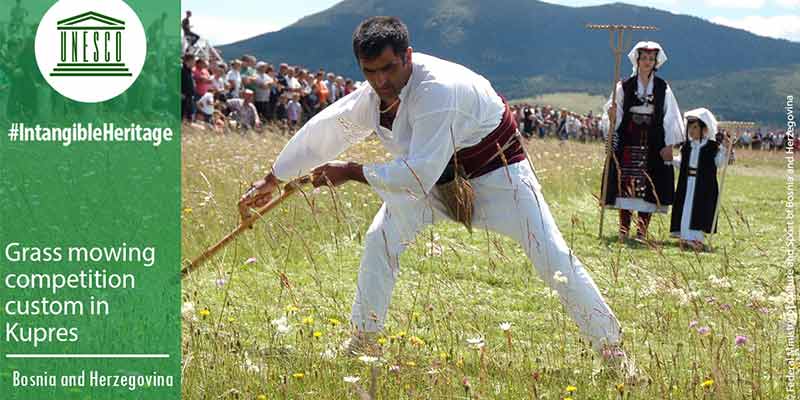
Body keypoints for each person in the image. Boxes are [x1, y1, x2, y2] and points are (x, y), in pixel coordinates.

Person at [239, 16, 629, 370]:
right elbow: (330, 129)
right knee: (381, 240)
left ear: (408, 56)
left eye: (389, 68)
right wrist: (273, 177)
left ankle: (613, 352)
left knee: (553, 256)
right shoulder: (372, 93)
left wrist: (352, 171)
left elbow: (415, 174)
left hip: (499, 175)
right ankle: (363, 340)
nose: (380, 81)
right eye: (370, 71)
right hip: (433, 179)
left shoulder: (438, 91)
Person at [601, 41, 684, 241]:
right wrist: (612, 116)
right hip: (629, 139)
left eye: (651, 59)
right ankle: (623, 229)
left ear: (656, 62)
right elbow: (615, 112)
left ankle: (641, 231)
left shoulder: (663, 87)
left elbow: (670, 116)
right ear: (637, 60)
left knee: (649, 185)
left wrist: (669, 145)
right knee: (626, 184)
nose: (647, 62)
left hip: (654, 142)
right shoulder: (624, 86)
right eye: (644, 58)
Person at [670, 108, 730, 251]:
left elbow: (719, 163)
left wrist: (725, 150)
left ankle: (697, 239)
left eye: (695, 127)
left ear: (704, 128)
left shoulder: (711, 147)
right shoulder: (687, 147)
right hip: (687, 183)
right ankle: (685, 236)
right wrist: (671, 160)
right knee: (686, 209)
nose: (692, 130)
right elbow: (683, 163)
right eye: (690, 127)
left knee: (699, 209)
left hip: (703, 186)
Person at [181, 54, 196, 121]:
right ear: (189, 61)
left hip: (189, 97)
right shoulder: (181, 69)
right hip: (182, 96)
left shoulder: (189, 70)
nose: (194, 63)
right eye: (193, 61)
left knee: (189, 117)